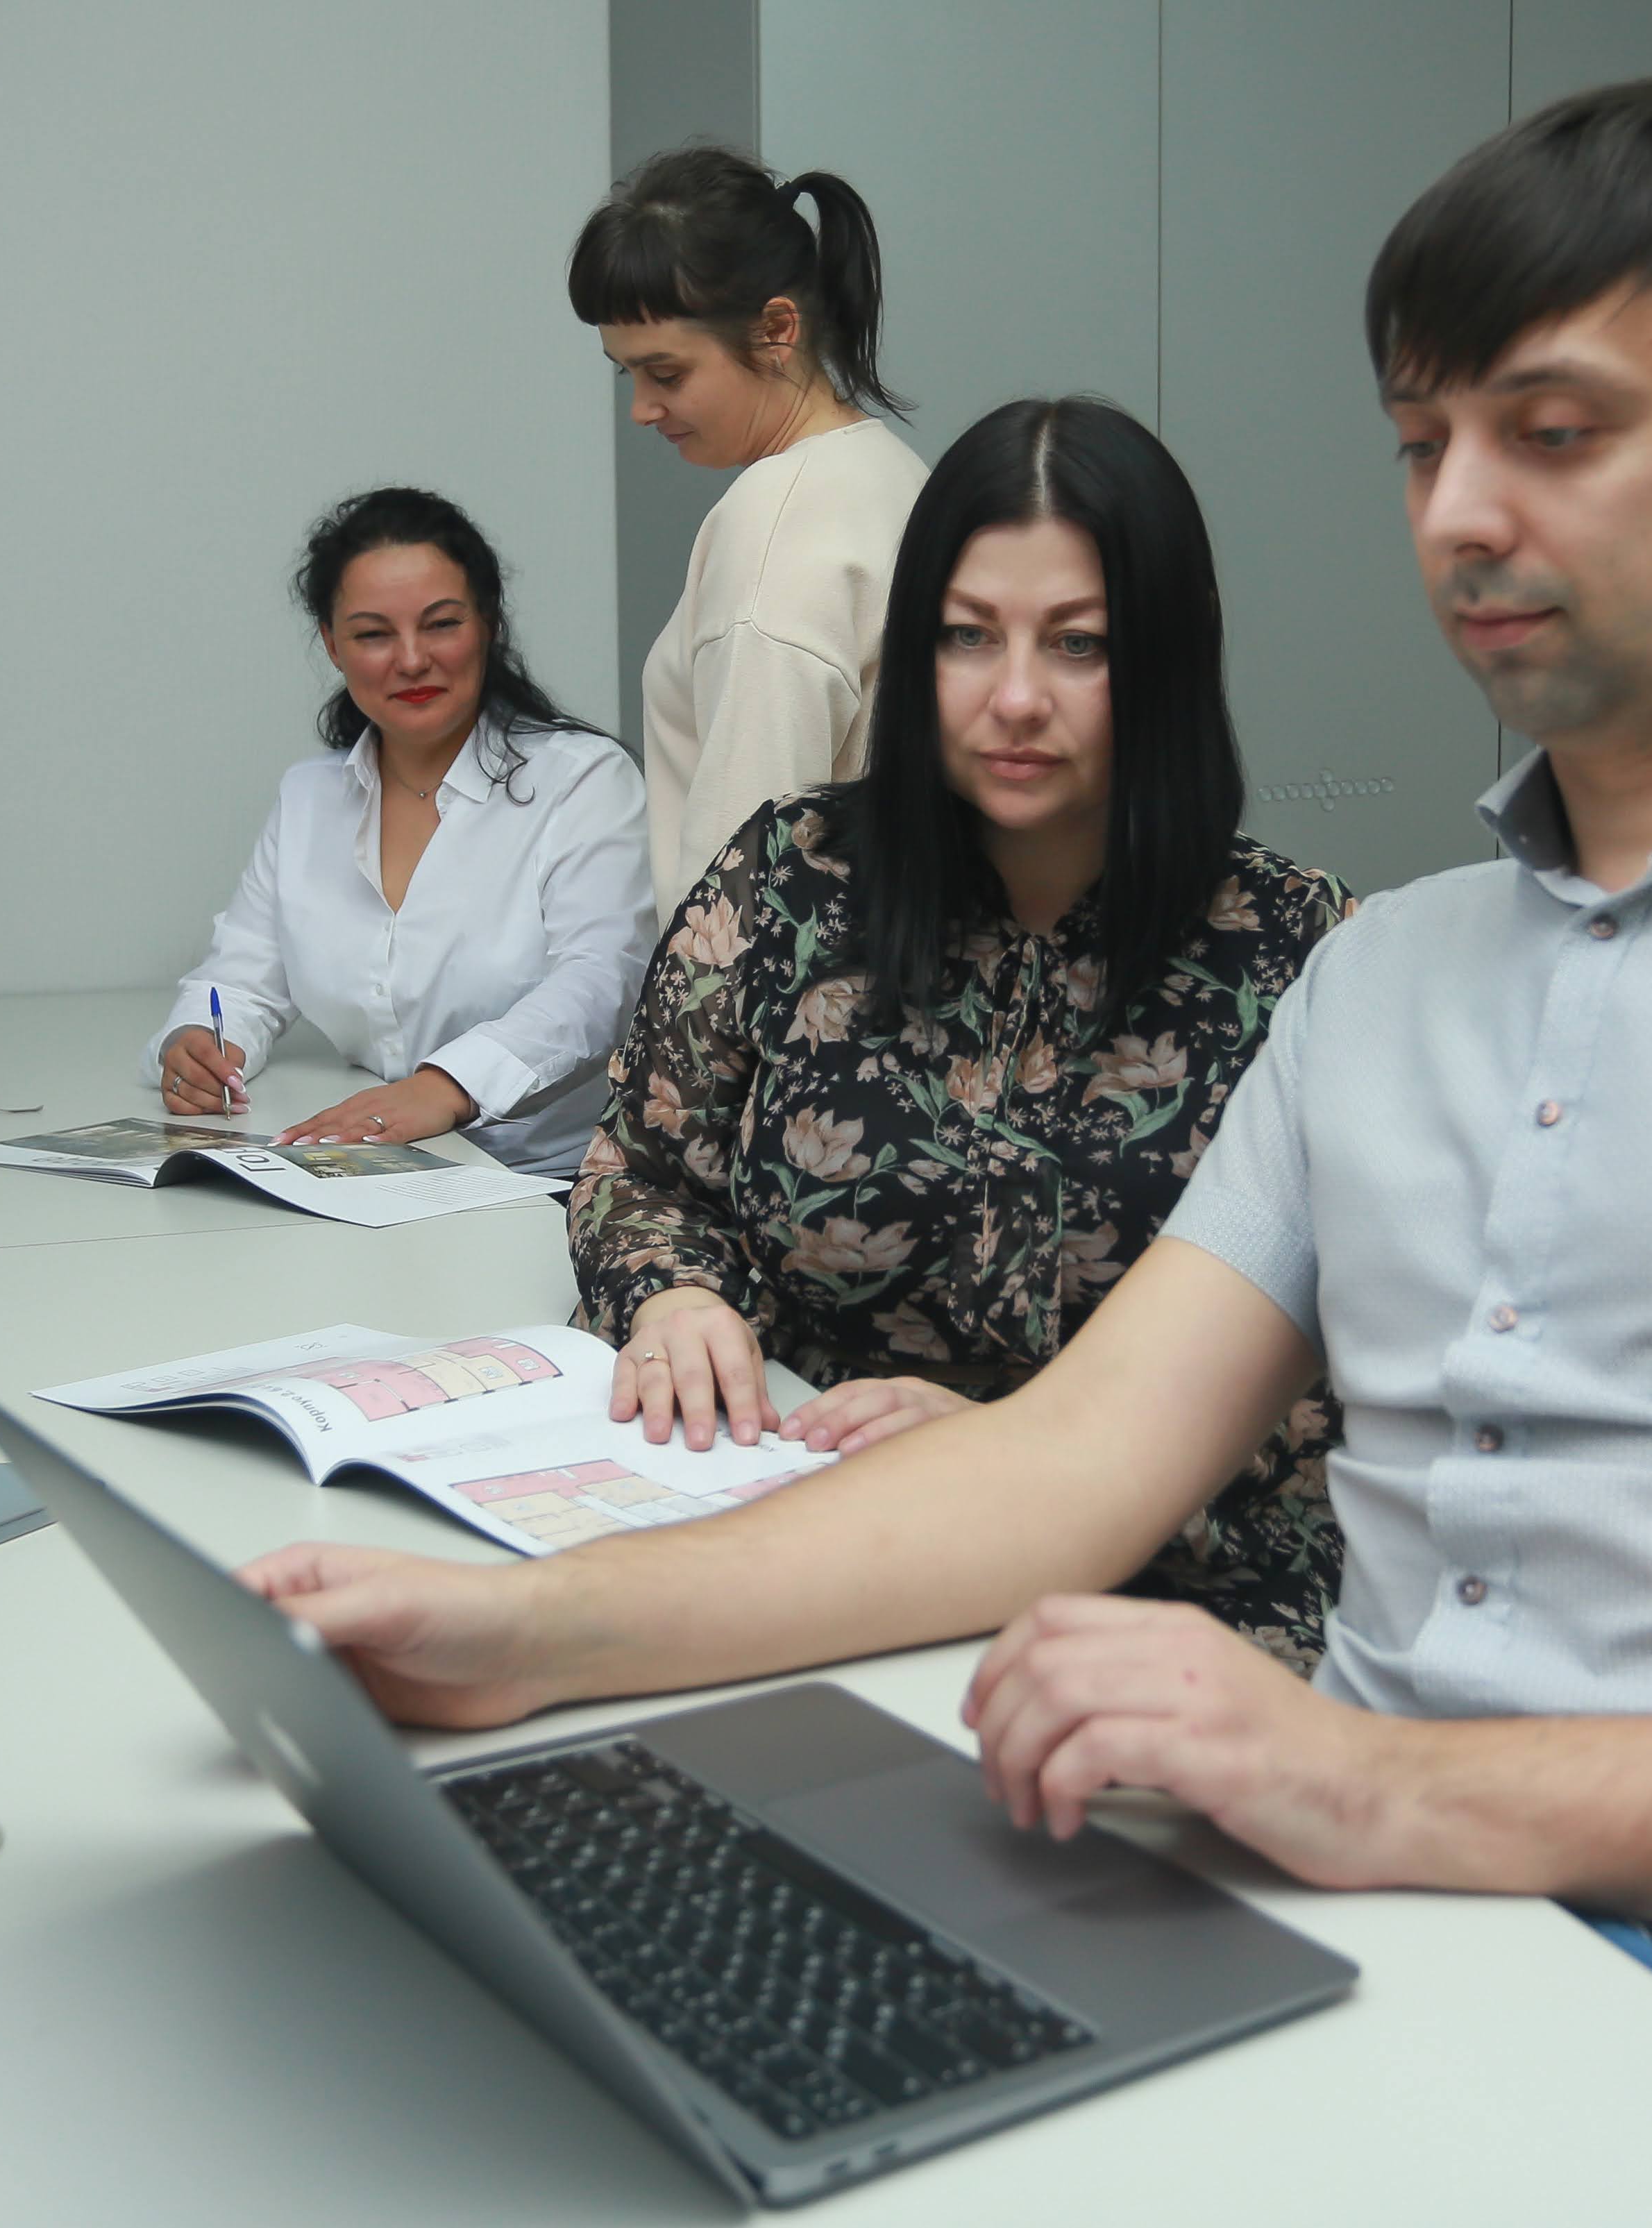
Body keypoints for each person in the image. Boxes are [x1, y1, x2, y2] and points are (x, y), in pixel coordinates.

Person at [244, 81, 1652, 2228]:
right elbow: (1057, 1467)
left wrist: (1381, 1781)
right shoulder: (1384, 978)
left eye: (1549, 432)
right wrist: (524, 1638)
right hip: (1354, 1934)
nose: (1460, 514)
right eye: (1419, 441)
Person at [568, 396, 1356, 1667]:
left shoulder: (1298, 951)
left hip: (1158, 1606)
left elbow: (1356, 1378)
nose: (1016, 698)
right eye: (966, 637)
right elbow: (641, 1170)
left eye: (1080, 645)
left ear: (1166, 655)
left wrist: (1022, 1454)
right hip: (803, 1536)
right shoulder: (792, 879)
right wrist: (674, 1298)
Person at [151, 488, 654, 1177]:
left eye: (441, 624)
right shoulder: (309, 796)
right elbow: (242, 981)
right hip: (370, 1170)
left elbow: (604, 981)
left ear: (489, 624)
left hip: (554, 1181)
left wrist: (447, 1087)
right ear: (332, 645)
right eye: (373, 635)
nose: (412, 660)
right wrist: (198, 1046)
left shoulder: (584, 779)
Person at [571, 146, 932, 906]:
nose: (641, 408)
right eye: (625, 372)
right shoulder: (894, 472)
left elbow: (742, 885)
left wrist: (701, 983)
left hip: (786, 977)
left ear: (776, 330)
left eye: (666, 374)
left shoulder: (776, 522)